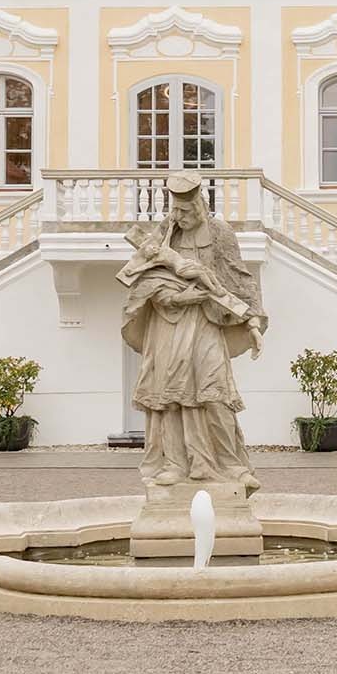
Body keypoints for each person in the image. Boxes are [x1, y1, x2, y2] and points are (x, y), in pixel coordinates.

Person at [117, 172, 266, 493]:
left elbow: (240, 277)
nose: (179, 217)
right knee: (171, 397)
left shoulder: (220, 233)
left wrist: (253, 322)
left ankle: (232, 466)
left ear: (200, 205)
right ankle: (176, 463)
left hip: (207, 323)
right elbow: (143, 279)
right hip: (169, 324)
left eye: (186, 211)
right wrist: (177, 295)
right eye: (176, 210)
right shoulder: (166, 232)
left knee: (215, 394)